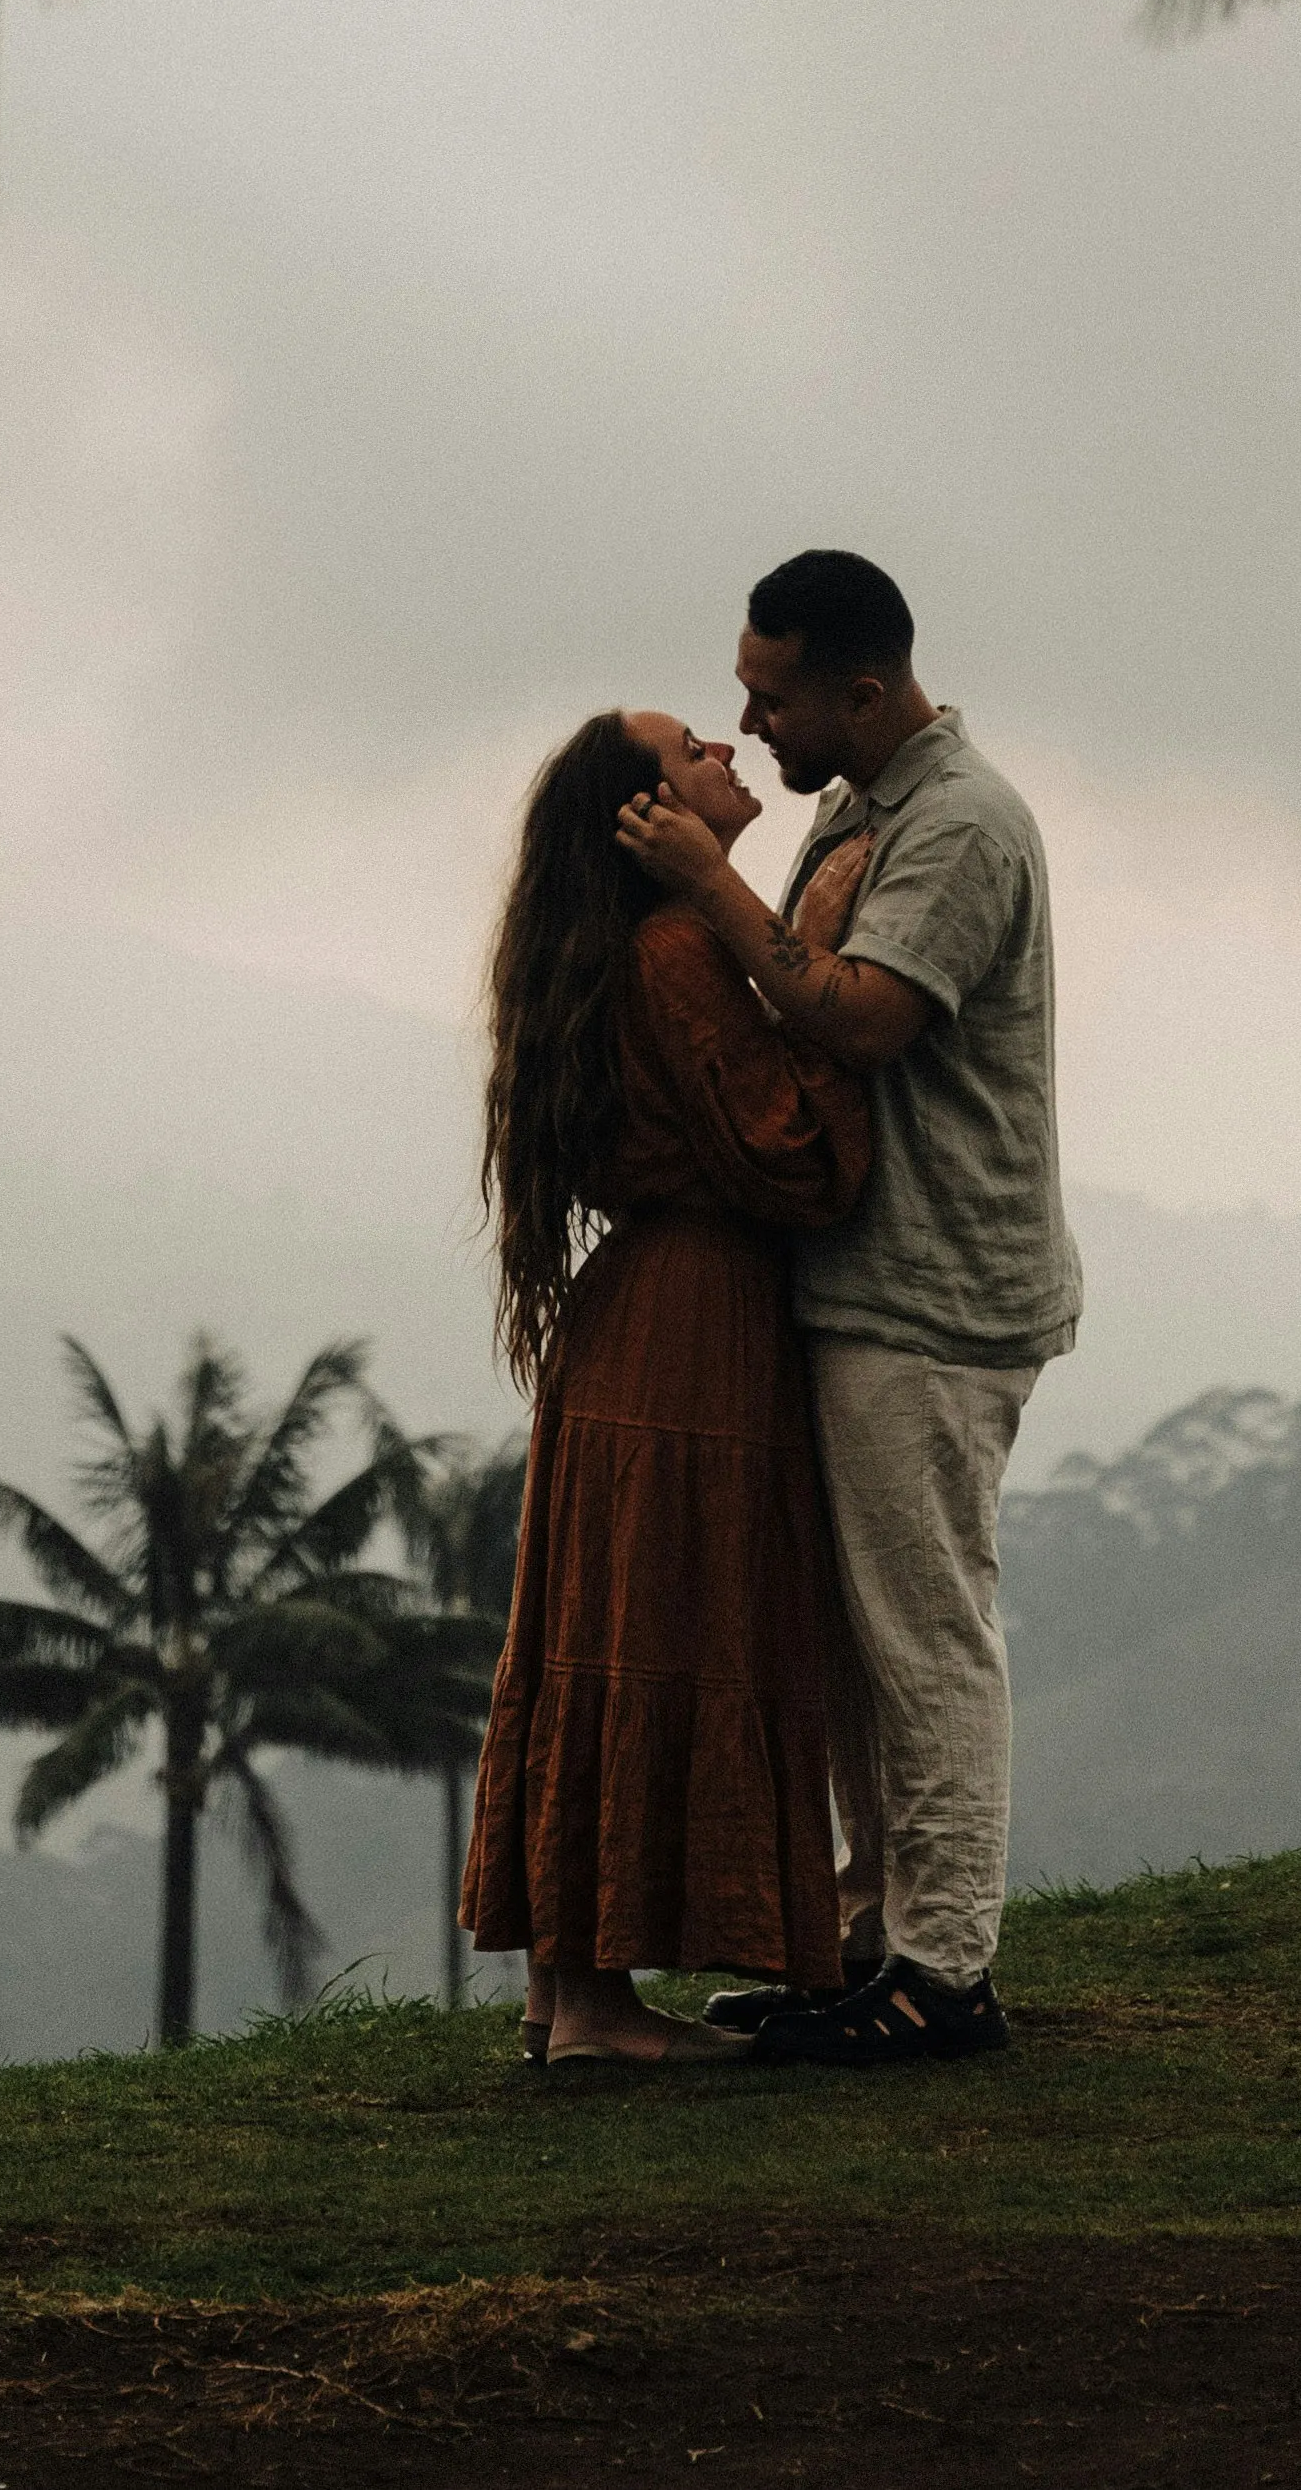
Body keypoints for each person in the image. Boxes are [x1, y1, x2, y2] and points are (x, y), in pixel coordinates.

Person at [616, 544, 1076, 2072]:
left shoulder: (957, 823)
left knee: (922, 1630)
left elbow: (860, 1016)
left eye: (773, 696)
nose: (751, 729)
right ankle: (872, 1938)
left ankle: (941, 1968)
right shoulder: (861, 807)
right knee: (858, 1641)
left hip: (935, 1291)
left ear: (862, 689)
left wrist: (707, 883)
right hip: (871, 1282)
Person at [460, 703, 874, 2074]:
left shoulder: (632, 949)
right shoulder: (686, 947)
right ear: (648, 816)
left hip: (637, 1318)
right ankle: (592, 2008)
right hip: (692, 1324)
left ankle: (563, 1983)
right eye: (689, 747)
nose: (721, 747)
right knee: (655, 1626)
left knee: (609, 1623)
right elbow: (801, 1153)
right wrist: (824, 1001)